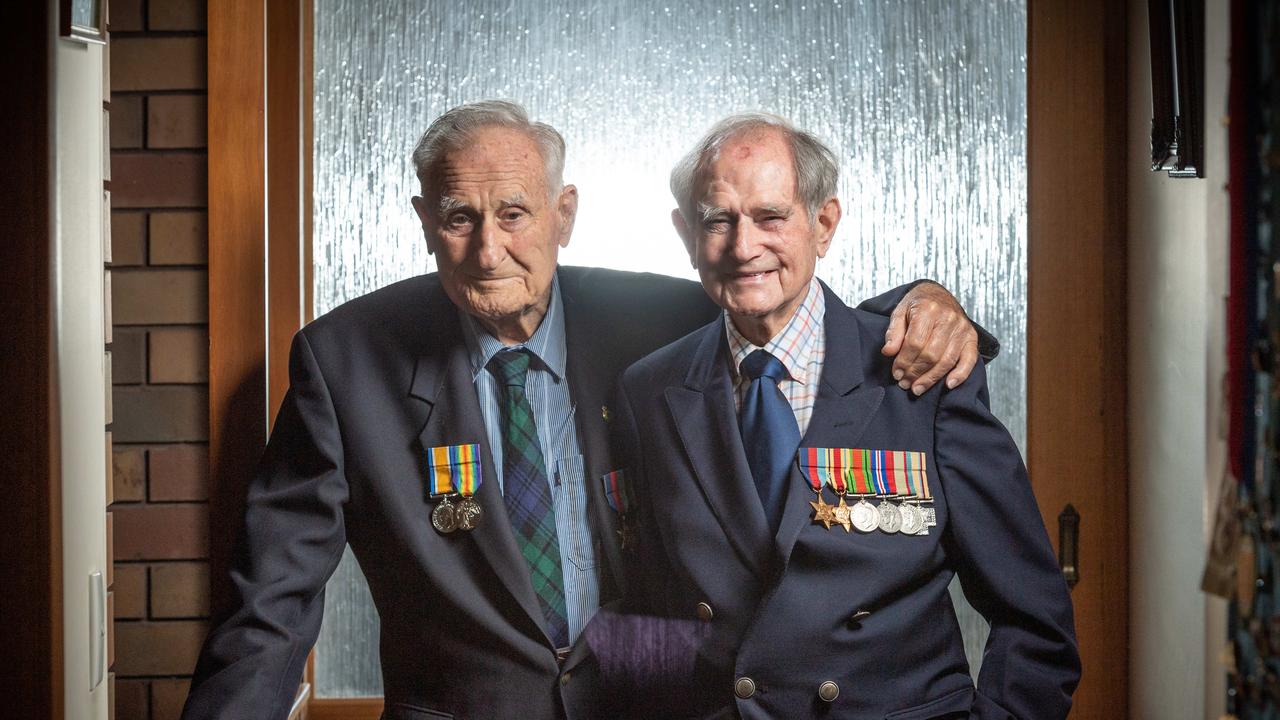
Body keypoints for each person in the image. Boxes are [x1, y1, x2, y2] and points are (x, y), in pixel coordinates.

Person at [180, 101, 994, 720]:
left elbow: (782, 303)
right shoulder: (346, 361)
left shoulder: (662, 321)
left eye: (514, 214)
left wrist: (925, 303)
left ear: (562, 215)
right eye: (460, 217)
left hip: (652, 702)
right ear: (427, 222)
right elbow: (271, 603)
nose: (488, 249)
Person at [605, 113, 1080, 719]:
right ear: (685, 233)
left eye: (770, 216)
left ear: (823, 223)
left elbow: (1034, 621)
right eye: (716, 220)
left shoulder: (921, 373)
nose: (743, 246)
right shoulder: (649, 390)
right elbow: (648, 610)